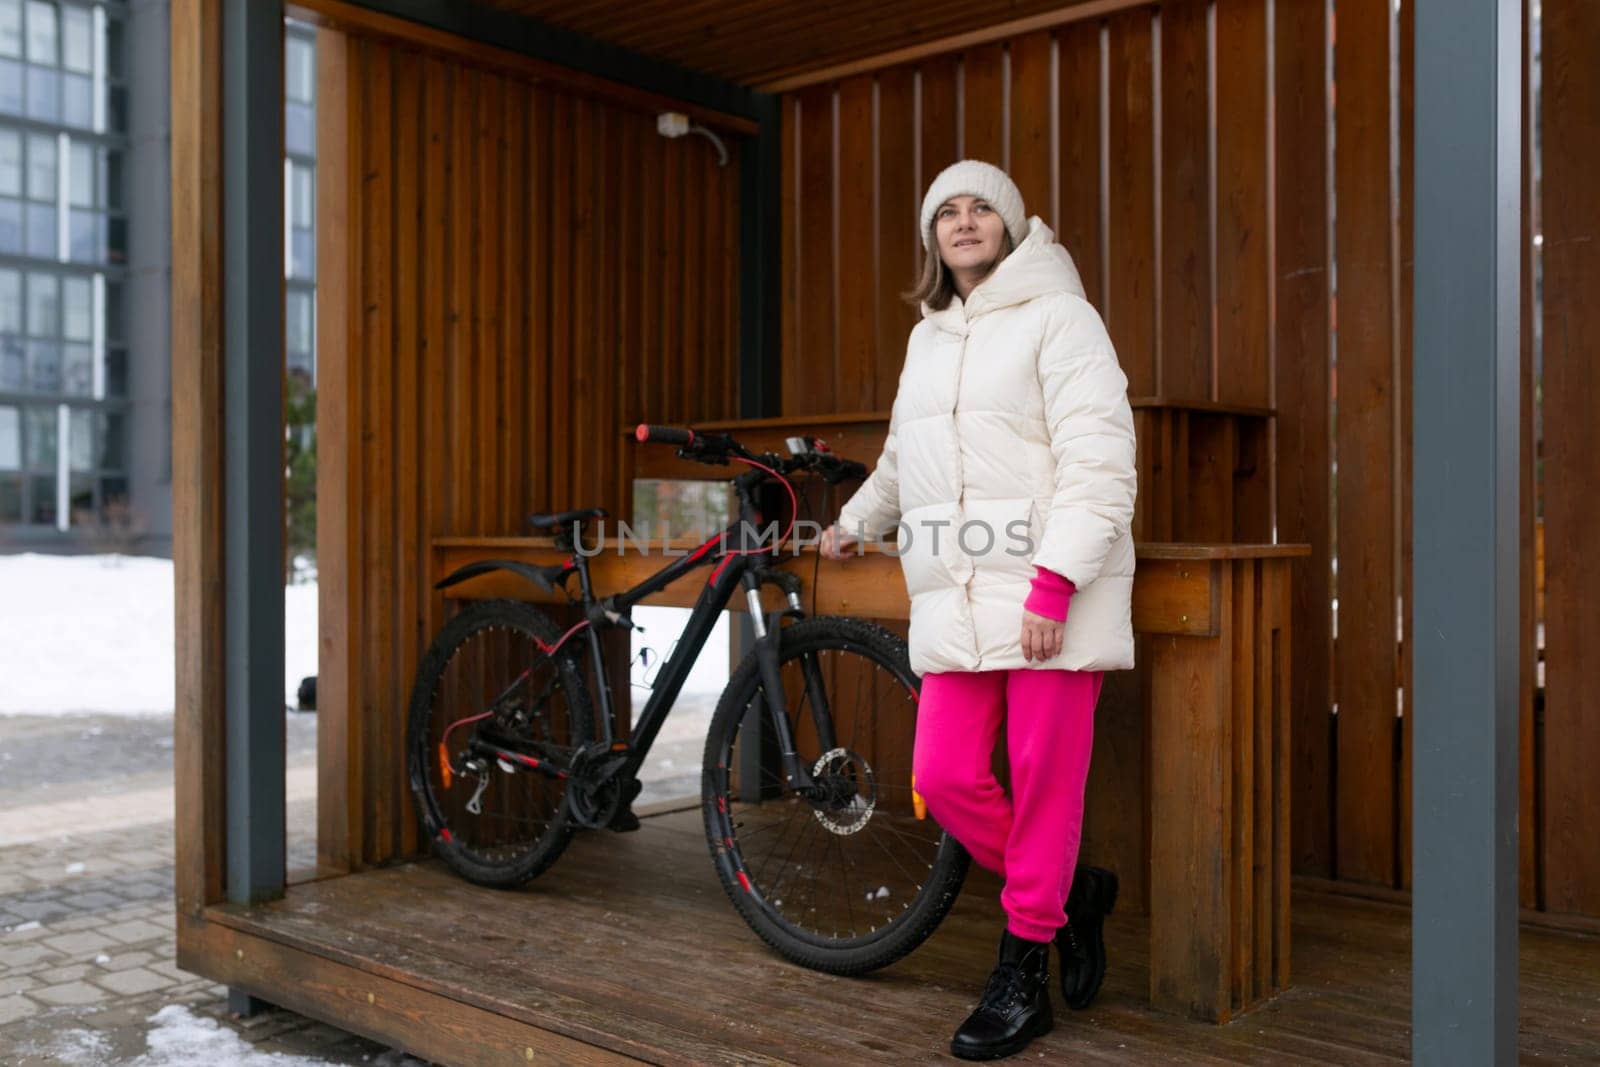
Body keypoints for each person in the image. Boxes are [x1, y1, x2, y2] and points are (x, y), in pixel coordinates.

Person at [820, 159, 1136, 1060]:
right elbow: (904, 458)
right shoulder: (932, 338)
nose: (963, 223)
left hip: (1047, 600)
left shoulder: (1062, 318)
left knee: (1044, 786)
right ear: (933, 238)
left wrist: (1055, 582)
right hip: (955, 601)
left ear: (1009, 224)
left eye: (979, 209)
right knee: (949, 775)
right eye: (946, 213)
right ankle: (1074, 895)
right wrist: (853, 521)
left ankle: (1022, 967)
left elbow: (1103, 457)